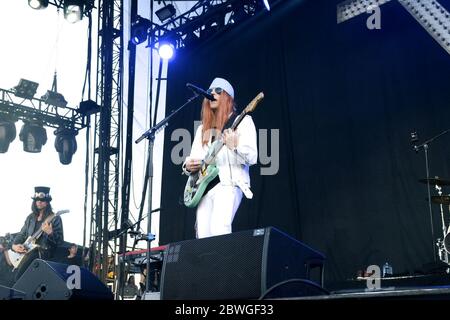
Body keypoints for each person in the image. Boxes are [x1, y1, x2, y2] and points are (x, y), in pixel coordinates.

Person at [182, 77, 258, 239]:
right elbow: (194, 157)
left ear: (228, 98)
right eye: (209, 92)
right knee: (203, 237)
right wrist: (188, 166)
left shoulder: (242, 121)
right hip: (204, 188)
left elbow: (252, 157)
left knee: (219, 231)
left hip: (228, 184)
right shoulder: (202, 129)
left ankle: (225, 265)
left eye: (218, 91)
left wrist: (234, 146)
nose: (212, 94)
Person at [0, 186, 64, 285]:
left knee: (19, 277)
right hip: (25, 251)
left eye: (43, 200)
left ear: (47, 202)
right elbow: (22, 234)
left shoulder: (55, 218)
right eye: (37, 200)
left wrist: (50, 233)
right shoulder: (30, 217)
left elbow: (60, 242)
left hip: (41, 253)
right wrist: (14, 245)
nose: (39, 202)